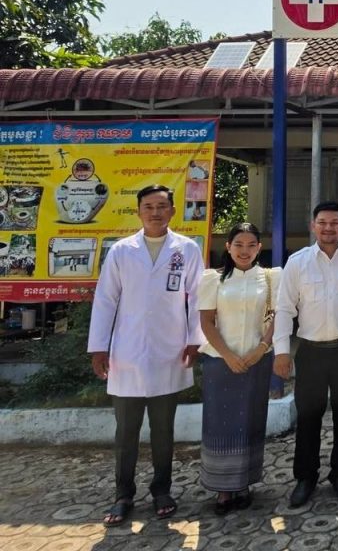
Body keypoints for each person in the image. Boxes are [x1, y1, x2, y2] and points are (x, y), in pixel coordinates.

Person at [87, 185, 203, 526]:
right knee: (126, 431)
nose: (155, 212)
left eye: (162, 206)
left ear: (173, 211)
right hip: (127, 352)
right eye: (149, 206)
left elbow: (198, 297)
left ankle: (161, 490)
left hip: (170, 350)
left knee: (163, 429)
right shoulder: (122, 251)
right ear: (138, 211)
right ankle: (123, 494)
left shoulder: (187, 249)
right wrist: (98, 346)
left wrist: (194, 339)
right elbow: (106, 299)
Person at [273, 201, 338, 508]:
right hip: (310, 352)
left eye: (334, 223)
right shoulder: (297, 262)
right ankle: (305, 477)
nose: (328, 228)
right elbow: (284, 309)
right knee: (309, 417)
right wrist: (281, 352)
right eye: (322, 222)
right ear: (313, 226)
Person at [198, 222, 277, 515]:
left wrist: (262, 348)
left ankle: (244, 485)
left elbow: (278, 316)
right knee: (220, 424)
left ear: (259, 248)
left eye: (251, 245)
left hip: (257, 360)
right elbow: (207, 322)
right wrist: (227, 355)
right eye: (239, 245)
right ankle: (223, 490)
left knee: (250, 421)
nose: (245, 251)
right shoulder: (213, 279)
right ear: (228, 247)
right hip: (220, 363)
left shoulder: (270, 278)